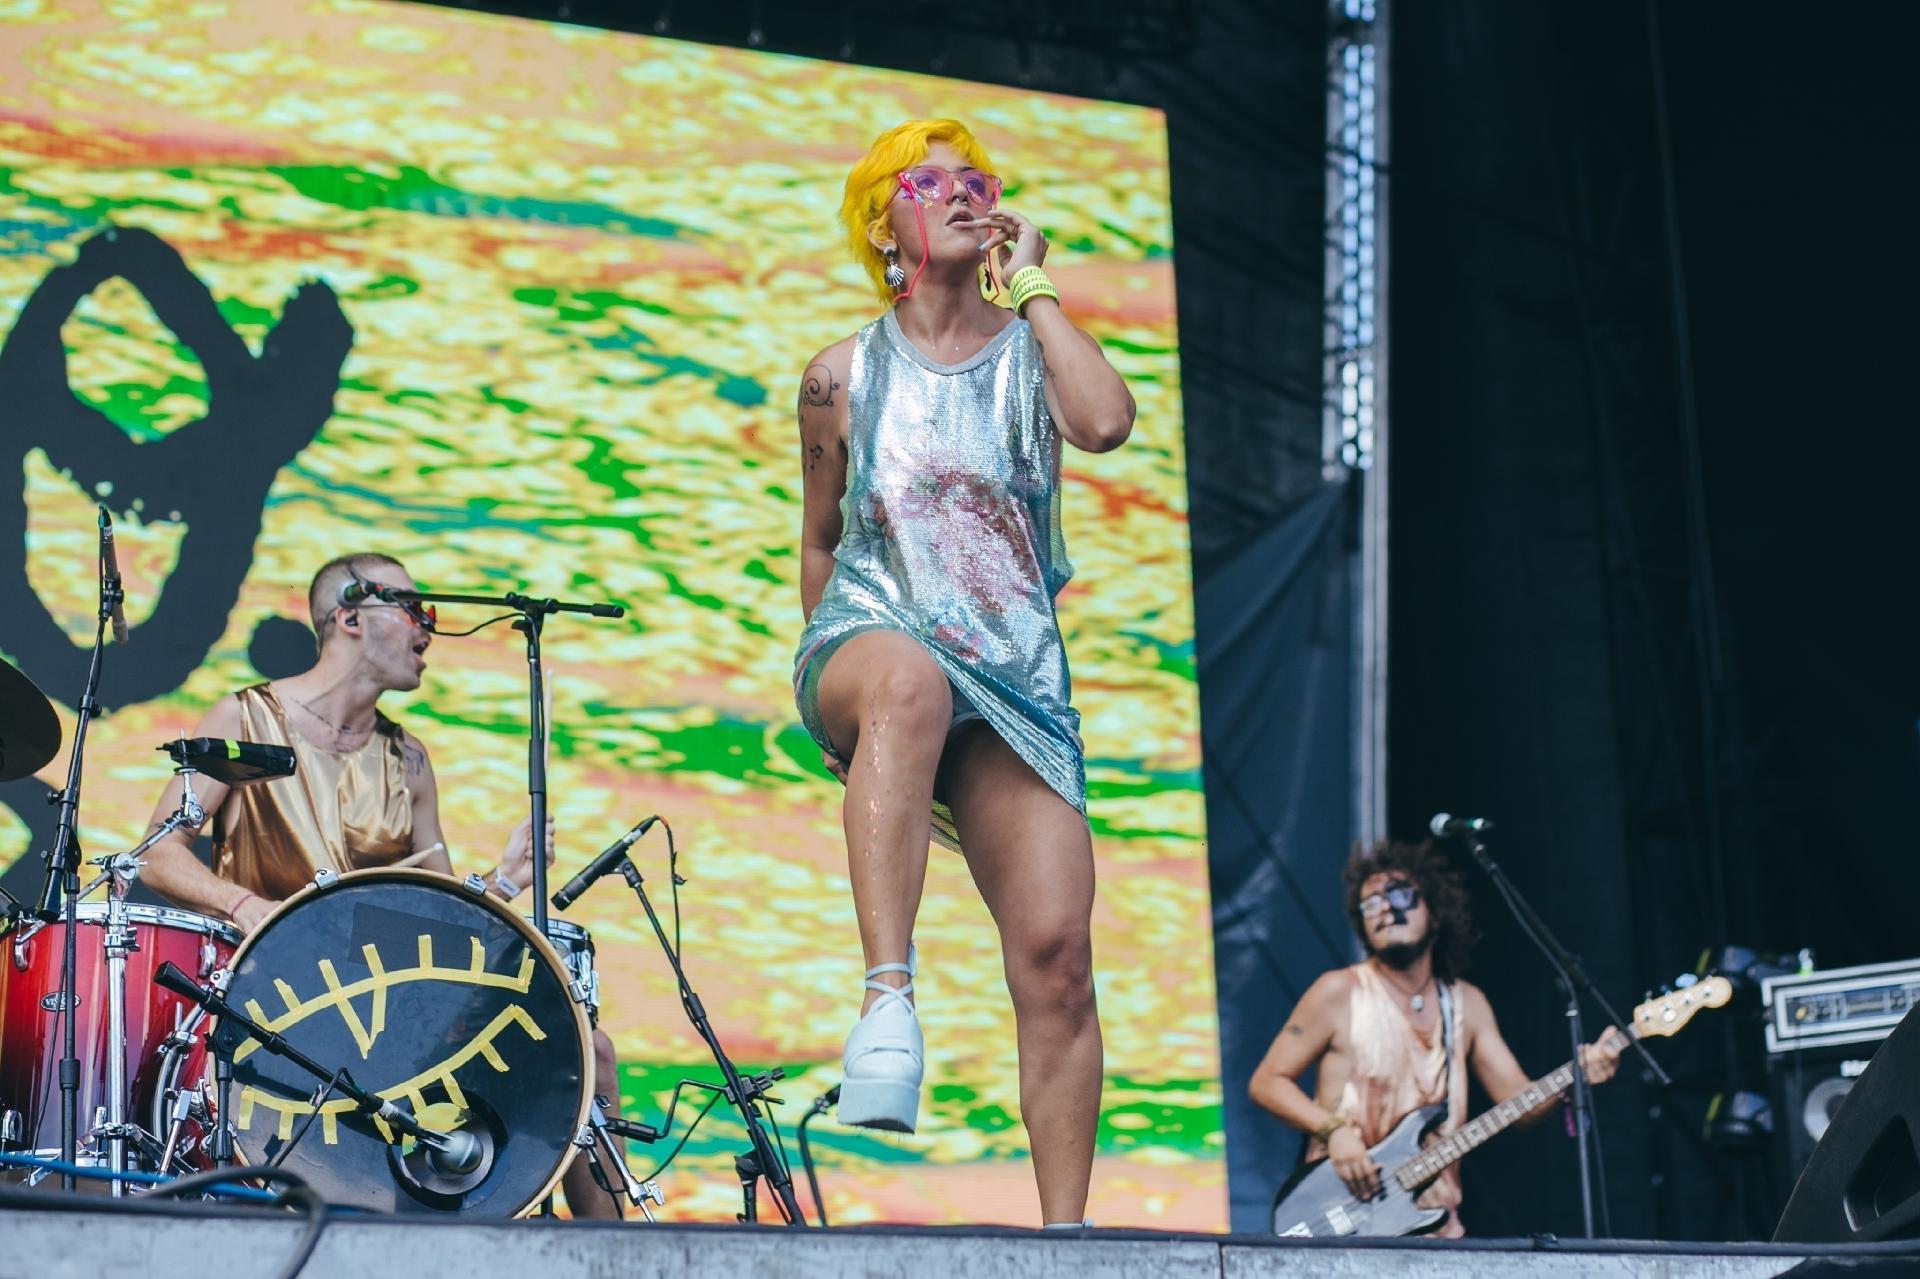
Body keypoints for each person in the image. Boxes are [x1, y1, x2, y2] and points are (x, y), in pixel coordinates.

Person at [791, 119, 1135, 1226]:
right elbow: (818, 534)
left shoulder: (1035, 348)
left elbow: (1108, 422)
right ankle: (886, 1003)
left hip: (1014, 671)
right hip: (877, 630)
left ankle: (1068, 1234)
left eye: (974, 180)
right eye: (924, 180)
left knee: (1056, 955)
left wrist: (1031, 282)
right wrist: (830, 688)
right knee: (905, 688)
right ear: (884, 222)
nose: (956, 192)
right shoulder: (839, 376)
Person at [138, 551, 625, 1219]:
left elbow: (442, 919)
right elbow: (156, 854)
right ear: (349, 618)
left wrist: (503, 885)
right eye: (414, 610)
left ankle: (617, 1255)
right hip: (275, 1012)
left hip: (390, 1018)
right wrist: (251, 907)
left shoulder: (409, 758)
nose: (429, 631)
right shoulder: (245, 717)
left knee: (586, 1048)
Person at [1247, 840, 1623, 1236]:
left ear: (1436, 913)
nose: (1386, 909)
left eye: (1400, 895)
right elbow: (1266, 1082)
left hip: (1435, 1231)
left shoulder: (1467, 1004)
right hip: (1344, 1217)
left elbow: (1519, 1104)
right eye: (1370, 903)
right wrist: (1334, 1131)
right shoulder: (1338, 992)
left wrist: (1575, 1075)